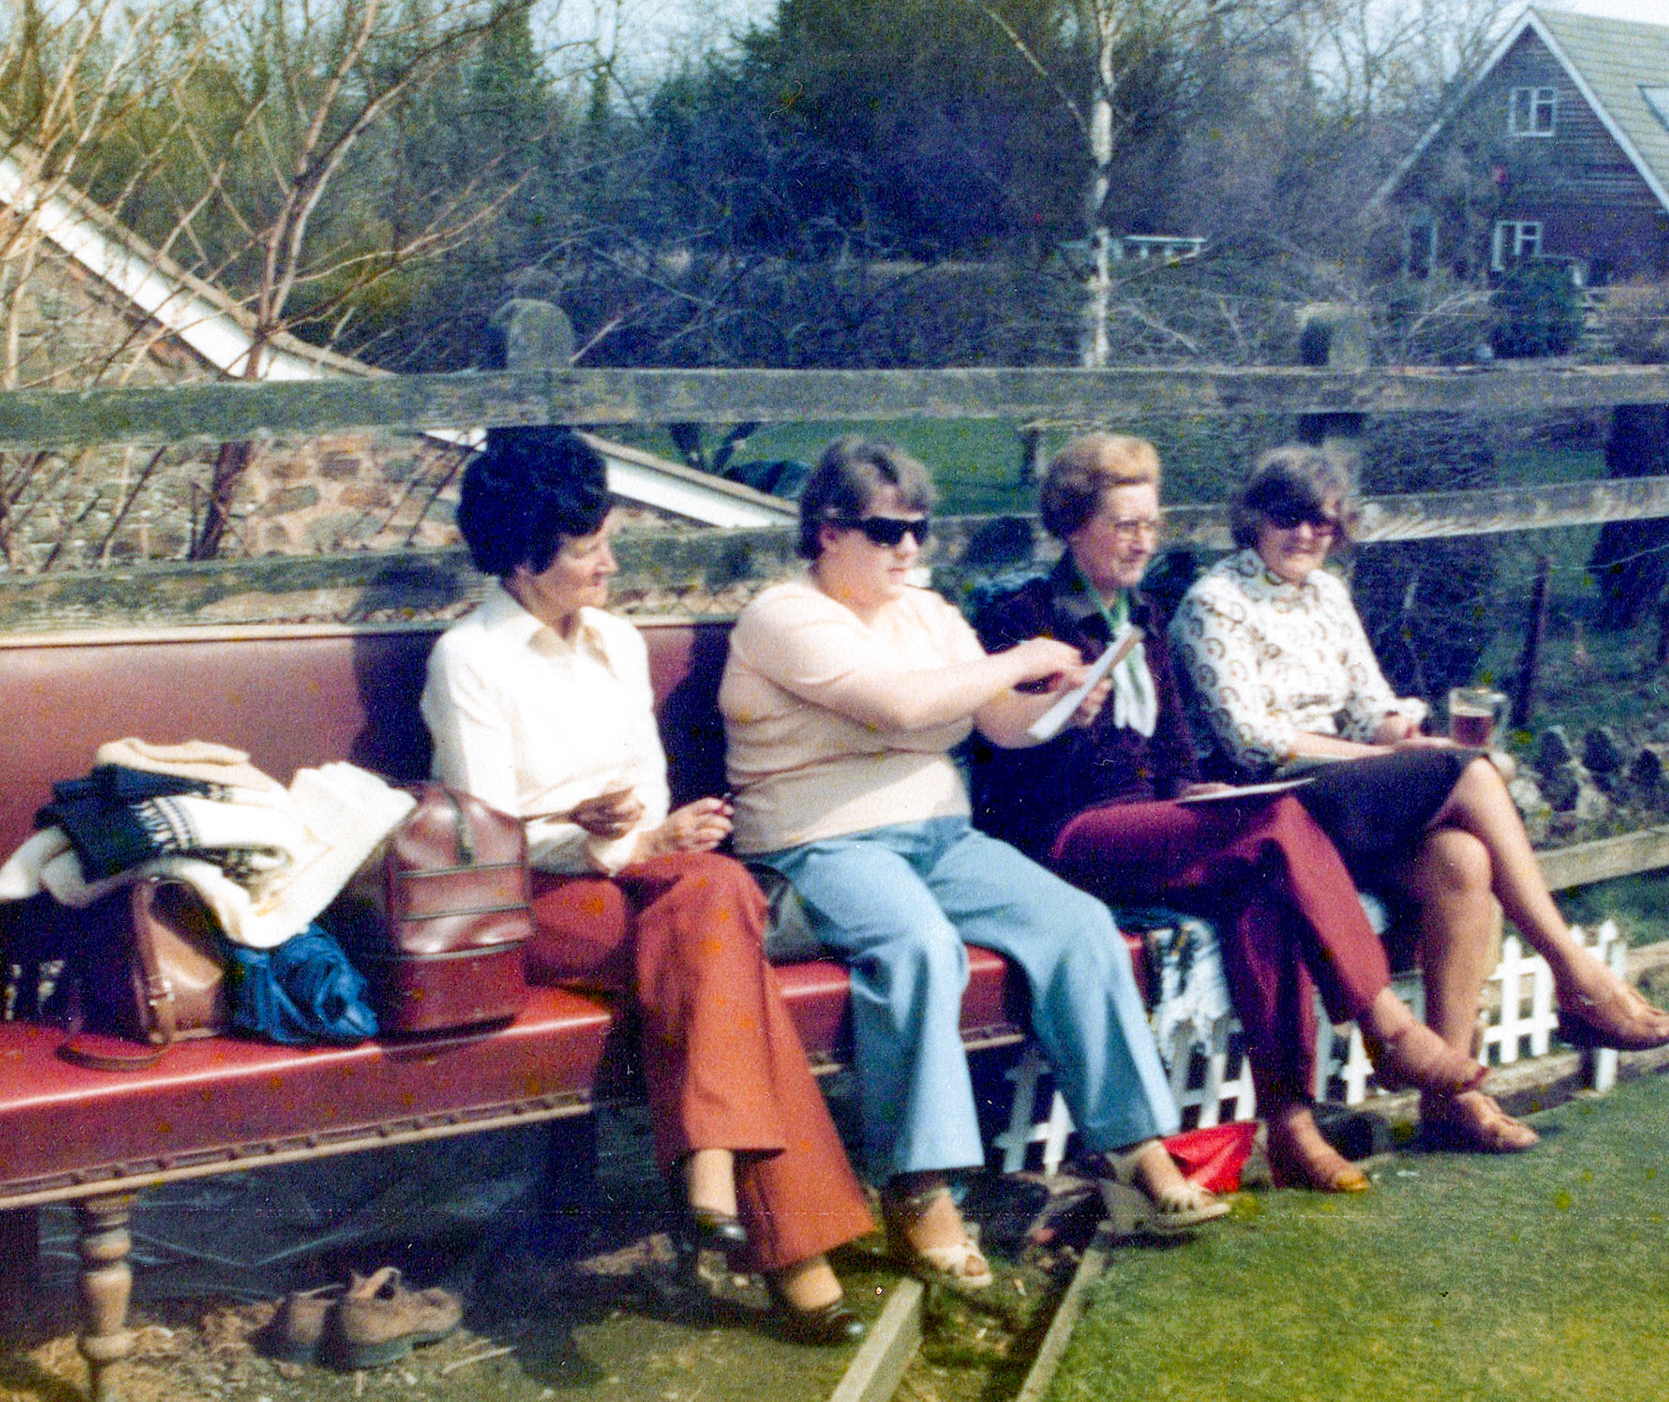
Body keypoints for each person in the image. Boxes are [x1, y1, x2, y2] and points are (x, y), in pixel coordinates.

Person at [720, 436, 1227, 1293]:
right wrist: (1024, 658)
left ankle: (1133, 1148)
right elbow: (900, 703)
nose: (908, 549)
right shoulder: (785, 615)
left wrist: (1063, 705)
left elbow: (997, 725)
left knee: (1075, 923)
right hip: (821, 841)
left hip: (938, 836)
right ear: (827, 531)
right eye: (886, 531)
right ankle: (922, 1188)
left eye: (916, 530)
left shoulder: (924, 612)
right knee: (917, 946)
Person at [420, 427, 872, 1344]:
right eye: (588, 550)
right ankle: (779, 1237)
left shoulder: (618, 643)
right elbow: (487, 829)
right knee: (721, 922)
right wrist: (596, 841)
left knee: (713, 894)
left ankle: (720, 1163)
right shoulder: (469, 659)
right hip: (533, 896)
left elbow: (649, 786)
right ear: (521, 556)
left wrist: (656, 835)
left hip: (641, 876)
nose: (609, 565)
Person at [971, 433, 1487, 1194]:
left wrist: (1201, 794)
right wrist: (1063, 713)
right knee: (1278, 826)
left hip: (1155, 823)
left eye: (1152, 523)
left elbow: (1176, 751)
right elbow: (1005, 766)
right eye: (1123, 524)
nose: (1143, 540)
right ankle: (1388, 1025)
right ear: (1073, 525)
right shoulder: (1024, 616)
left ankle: (1291, 1126)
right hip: (1066, 834)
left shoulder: (1141, 613)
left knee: (1263, 880)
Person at [1173, 443, 1669, 1152]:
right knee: (1472, 774)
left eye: (1326, 522)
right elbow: (1254, 739)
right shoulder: (1215, 603)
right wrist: (1391, 758)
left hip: (1347, 788)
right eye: (1291, 518)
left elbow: (1367, 703)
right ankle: (1578, 976)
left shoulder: (1327, 593)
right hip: (1272, 801)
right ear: (1252, 517)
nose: (1309, 535)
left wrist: (1399, 731)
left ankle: (1454, 1097)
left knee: (1463, 859)